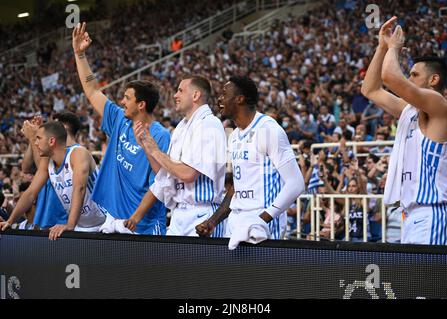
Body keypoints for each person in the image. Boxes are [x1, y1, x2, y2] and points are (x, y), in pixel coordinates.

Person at [72, 22, 170, 235]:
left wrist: (137, 217)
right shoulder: (119, 119)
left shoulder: (161, 135)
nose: (122, 102)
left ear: (141, 104)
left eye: (127, 98)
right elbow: (92, 90)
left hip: (143, 223)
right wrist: (80, 55)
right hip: (113, 218)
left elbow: (160, 181)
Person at [361, 16, 447, 245]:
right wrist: (381, 47)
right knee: (415, 281)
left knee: (427, 281)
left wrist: (395, 48)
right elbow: (370, 89)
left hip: (432, 212)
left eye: (414, 75)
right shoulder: (410, 110)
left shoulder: (439, 105)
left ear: (434, 80)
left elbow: (390, 77)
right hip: (411, 214)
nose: (409, 78)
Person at [196, 76, 305, 249]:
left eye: (225, 94)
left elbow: (296, 184)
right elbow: (236, 188)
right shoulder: (233, 135)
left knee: (261, 276)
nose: (219, 99)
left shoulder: (268, 130)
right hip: (236, 221)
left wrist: (262, 219)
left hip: (264, 221)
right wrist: (213, 221)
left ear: (240, 99)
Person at [124, 75, 227, 237]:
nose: (175, 95)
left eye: (180, 90)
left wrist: (156, 151)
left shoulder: (209, 124)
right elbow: (164, 174)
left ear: (195, 95)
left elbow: (188, 174)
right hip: (179, 214)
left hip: (203, 214)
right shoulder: (181, 127)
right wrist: (147, 146)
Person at [0, 122, 105, 239]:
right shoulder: (47, 162)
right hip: (82, 225)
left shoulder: (78, 153)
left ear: (51, 141)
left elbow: (79, 188)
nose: (35, 143)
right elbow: (30, 194)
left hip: (105, 222)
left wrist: (70, 224)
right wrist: (10, 221)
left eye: (38, 138)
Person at [21, 112, 81, 229]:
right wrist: (35, 138)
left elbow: (43, 169)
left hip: (60, 221)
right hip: (45, 217)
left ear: (62, 128)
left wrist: (34, 137)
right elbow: (26, 168)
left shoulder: (74, 155)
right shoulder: (48, 150)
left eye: (53, 124)